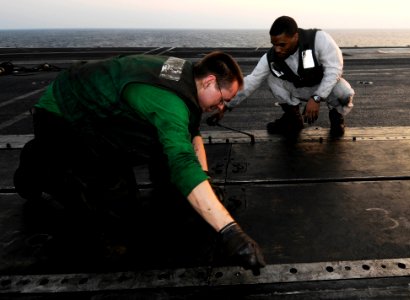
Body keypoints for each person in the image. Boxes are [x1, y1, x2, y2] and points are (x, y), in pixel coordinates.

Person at [13, 51, 265, 272]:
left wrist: (206, 181)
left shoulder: (187, 75)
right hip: (63, 113)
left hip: (103, 113)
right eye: (222, 99)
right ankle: (35, 163)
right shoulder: (170, 103)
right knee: (109, 207)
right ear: (210, 81)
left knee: (158, 157)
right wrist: (231, 232)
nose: (221, 108)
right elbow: (182, 161)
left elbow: (192, 133)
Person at [210, 16, 355, 137]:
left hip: (322, 86)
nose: (277, 49)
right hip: (297, 89)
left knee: (344, 93)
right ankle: (293, 118)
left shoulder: (319, 39)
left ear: (296, 36)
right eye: (274, 44)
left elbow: (334, 69)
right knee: (271, 78)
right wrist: (226, 106)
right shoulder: (271, 57)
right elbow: (251, 81)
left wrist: (317, 97)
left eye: (282, 44)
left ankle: (336, 117)